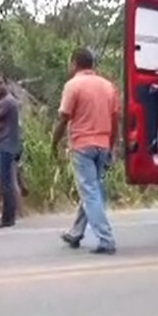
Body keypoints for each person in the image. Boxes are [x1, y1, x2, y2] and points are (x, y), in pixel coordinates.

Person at [51, 47, 119, 255]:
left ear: (74, 63)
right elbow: (116, 119)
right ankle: (76, 232)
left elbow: (64, 118)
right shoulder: (108, 87)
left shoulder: (73, 86)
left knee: (90, 192)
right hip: (103, 144)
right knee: (92, 190)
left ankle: (106, 239)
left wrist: (54, 142)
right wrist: (112, 144)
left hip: (82, 146)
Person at [0, 77, 22, 229]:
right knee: (7, 182)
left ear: (6, 84)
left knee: (5, 182)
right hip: (5, 145)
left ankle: (7, 217)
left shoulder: (6, 102)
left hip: (4, 146)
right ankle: (9, 216)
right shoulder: (3, 102)